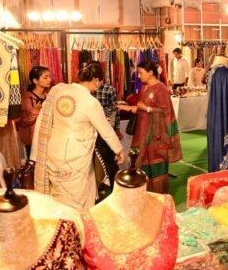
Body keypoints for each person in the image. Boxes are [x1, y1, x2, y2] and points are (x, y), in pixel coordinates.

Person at [31, 63, 124, 212]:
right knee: (75, 200)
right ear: (95, 80)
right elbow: (106, 130)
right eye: (100, 82)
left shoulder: (59, 91)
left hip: (54, 150)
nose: (100, 86)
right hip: (75, 155)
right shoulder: (90, 102)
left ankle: (59, 220)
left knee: (57, 193)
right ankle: (74, 222)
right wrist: (118, 150)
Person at [117, 61, 182, 194]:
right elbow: (140, 108)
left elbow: (166, 113)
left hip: (155, 137)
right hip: (141, 133)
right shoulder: (144, 87)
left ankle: (158, 198)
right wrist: (124, 107)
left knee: (155, 169)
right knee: (140, 166)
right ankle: (143, 196)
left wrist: (146, 108)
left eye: (141, 73)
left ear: (151, 73)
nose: (138, 76)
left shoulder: (161, 89)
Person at [89, 60, 122, 197]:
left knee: (109, 159)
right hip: (90, 130)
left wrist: (116, 129)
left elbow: (115, 110)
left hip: (105, 130)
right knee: (94, 160)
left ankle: (115, 189)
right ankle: (97, 188)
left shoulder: (109, 89)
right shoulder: (86, 90)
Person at [19, 66, 51, 159]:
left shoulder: (48, 96)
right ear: (35, 81)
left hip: (47, 137)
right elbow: (24, 122)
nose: (49, 80)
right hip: (33, 140)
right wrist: (35, 110)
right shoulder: (27, 98)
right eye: (45, 77)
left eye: (49, 77)